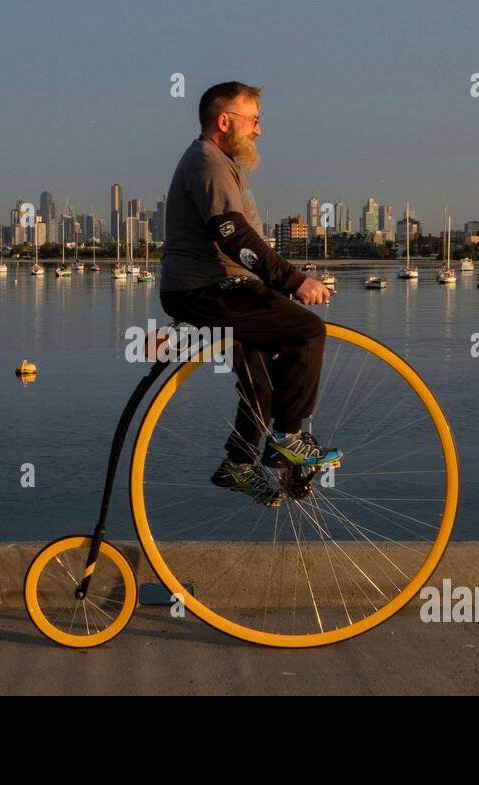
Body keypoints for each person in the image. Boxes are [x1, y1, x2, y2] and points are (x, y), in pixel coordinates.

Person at [158, 81, 342, 508]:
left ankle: (238, 463)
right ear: (225, 121)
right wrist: (293, 281)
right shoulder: (208, 162)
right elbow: (233, 235)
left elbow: (243, 240)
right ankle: (287, 436)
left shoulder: (219, 162)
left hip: (215, 287)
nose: (259, 130)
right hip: (208, 288)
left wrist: (276, 284)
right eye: (253, 120)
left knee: (260, 378)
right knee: (308, 332)